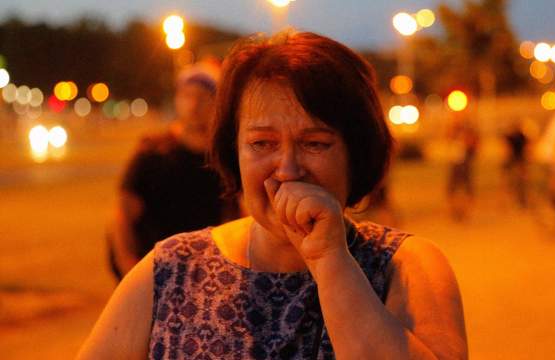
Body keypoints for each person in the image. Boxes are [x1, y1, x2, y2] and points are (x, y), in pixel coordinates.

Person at [79, 31, 467, 359]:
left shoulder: (406, 266)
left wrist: (331, 261)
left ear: (357, 153)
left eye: (315, 143)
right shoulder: (170, 271)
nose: (287, 169)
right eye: (262, 143)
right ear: (235, 152)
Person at [108, 60, 240, 279]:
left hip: (204, 279)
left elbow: (235, 218)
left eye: (203, 96)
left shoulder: (224, 160)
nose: (194, 105)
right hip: (152, 274)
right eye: (187, 95)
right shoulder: (153, 151)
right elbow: (123, 216)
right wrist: (129, 270)